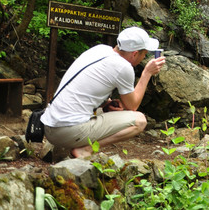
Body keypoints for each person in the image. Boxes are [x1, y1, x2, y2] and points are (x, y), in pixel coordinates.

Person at [41, 26, 165, 158]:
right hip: (66, 131)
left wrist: (105, 104)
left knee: (106, 112)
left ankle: (65, 150)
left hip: (50, 124)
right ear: (134, 53)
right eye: (144, 54)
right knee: (140, 120)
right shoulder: (123, 67)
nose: (144, 58)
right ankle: (86, 150)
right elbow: (132, 106)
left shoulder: (99, 49)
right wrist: (147, 73)